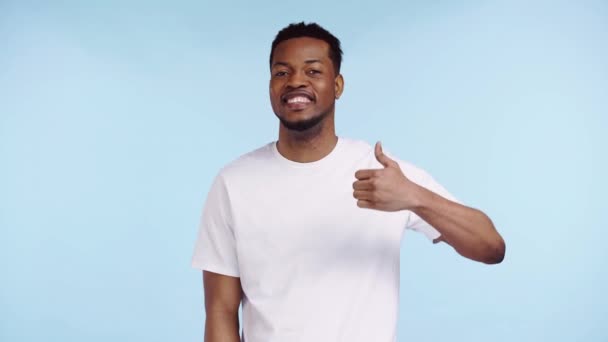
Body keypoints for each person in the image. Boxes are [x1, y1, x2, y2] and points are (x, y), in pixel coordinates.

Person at [191, 22, 505, 342]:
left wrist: (414, 196)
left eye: (313, 71)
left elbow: (491, 247)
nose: (295, 81)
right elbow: (220, 311)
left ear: (338, 85)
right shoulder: (234, 183)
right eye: (281, 73)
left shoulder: (383, 174)